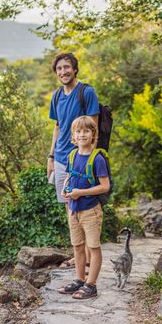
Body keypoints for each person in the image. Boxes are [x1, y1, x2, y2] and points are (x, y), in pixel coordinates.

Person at [46, 52, 99, 270]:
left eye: (67, 67)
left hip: (79, 159)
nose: (63, 72)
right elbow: (57, 127)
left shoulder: (86, 92)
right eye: (59, 69)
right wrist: (50, 156)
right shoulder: (57, 96)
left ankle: (86, 258)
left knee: (82, 206)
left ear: (75, 69)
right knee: (69, 207)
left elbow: (93, 128)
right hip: (60, 159)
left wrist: (87, 160)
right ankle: (79, 255)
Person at [57, 116, 110, 299]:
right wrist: (66, 188)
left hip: (90, 210)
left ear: (93, 134)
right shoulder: (72, 155)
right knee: (78, 246)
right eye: (78, 131)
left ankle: (91, 285)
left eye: (86, 131)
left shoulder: (97, 159)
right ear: (73, 135)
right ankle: (79, 280)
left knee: (93, 247)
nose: (82, 134)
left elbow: (105, 186)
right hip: (73, 209)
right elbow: (69, 176)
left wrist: (81, 192)